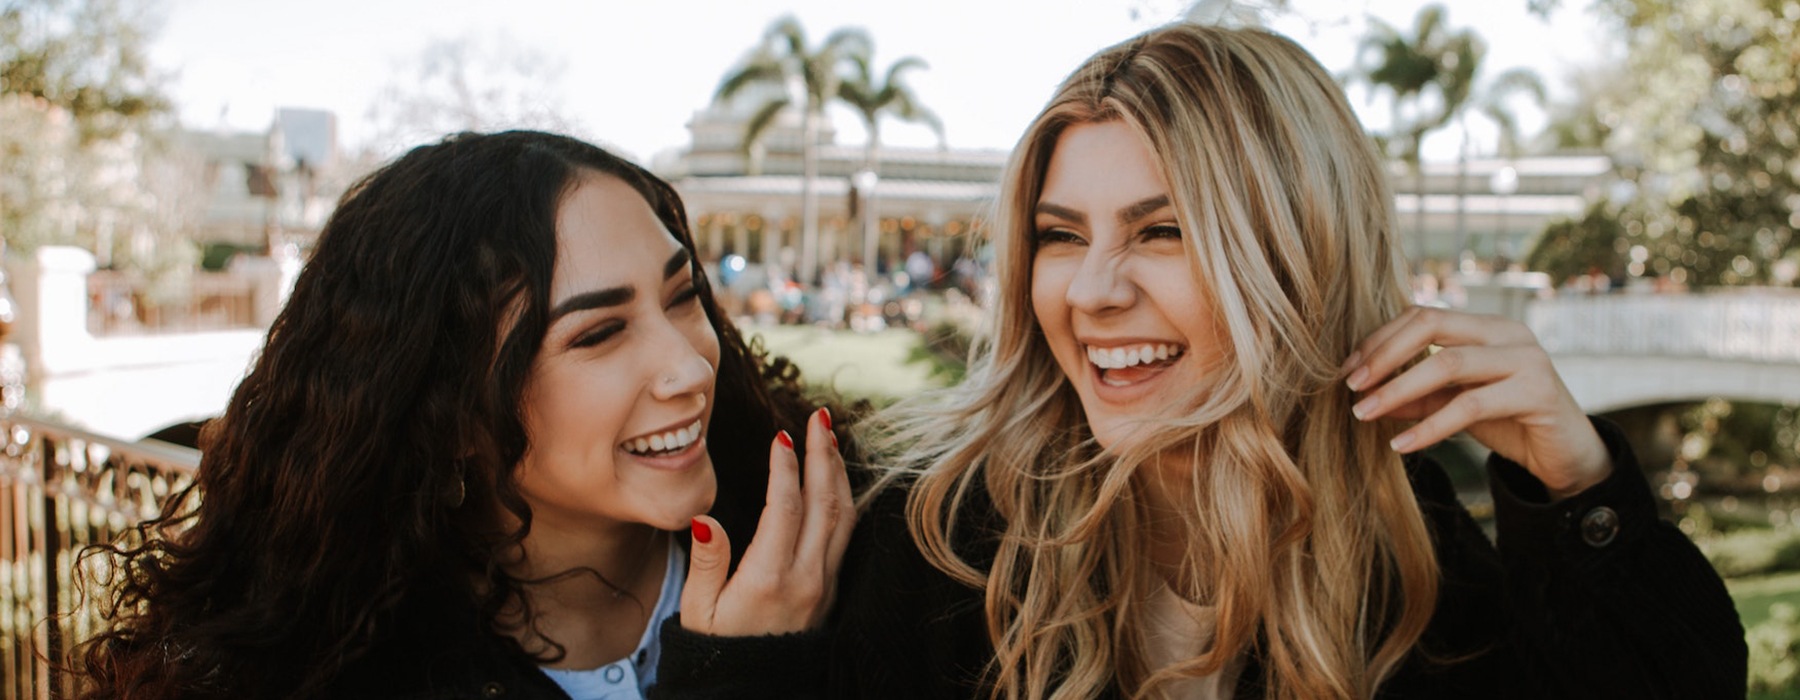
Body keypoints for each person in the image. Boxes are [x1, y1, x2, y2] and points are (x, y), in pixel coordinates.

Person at [811, 24, 1743, 699]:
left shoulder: (1415, 564)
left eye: (1164, 230)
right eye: (1060, 236)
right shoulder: (936, 547)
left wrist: (1582, 492)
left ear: (1301, 256)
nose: (1092, 291)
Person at [72, 131, 855, 700]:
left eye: (682, 296)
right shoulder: (320, 669)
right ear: (445, 406)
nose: (691, 364)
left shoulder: (856, 559)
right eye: (599, 333)